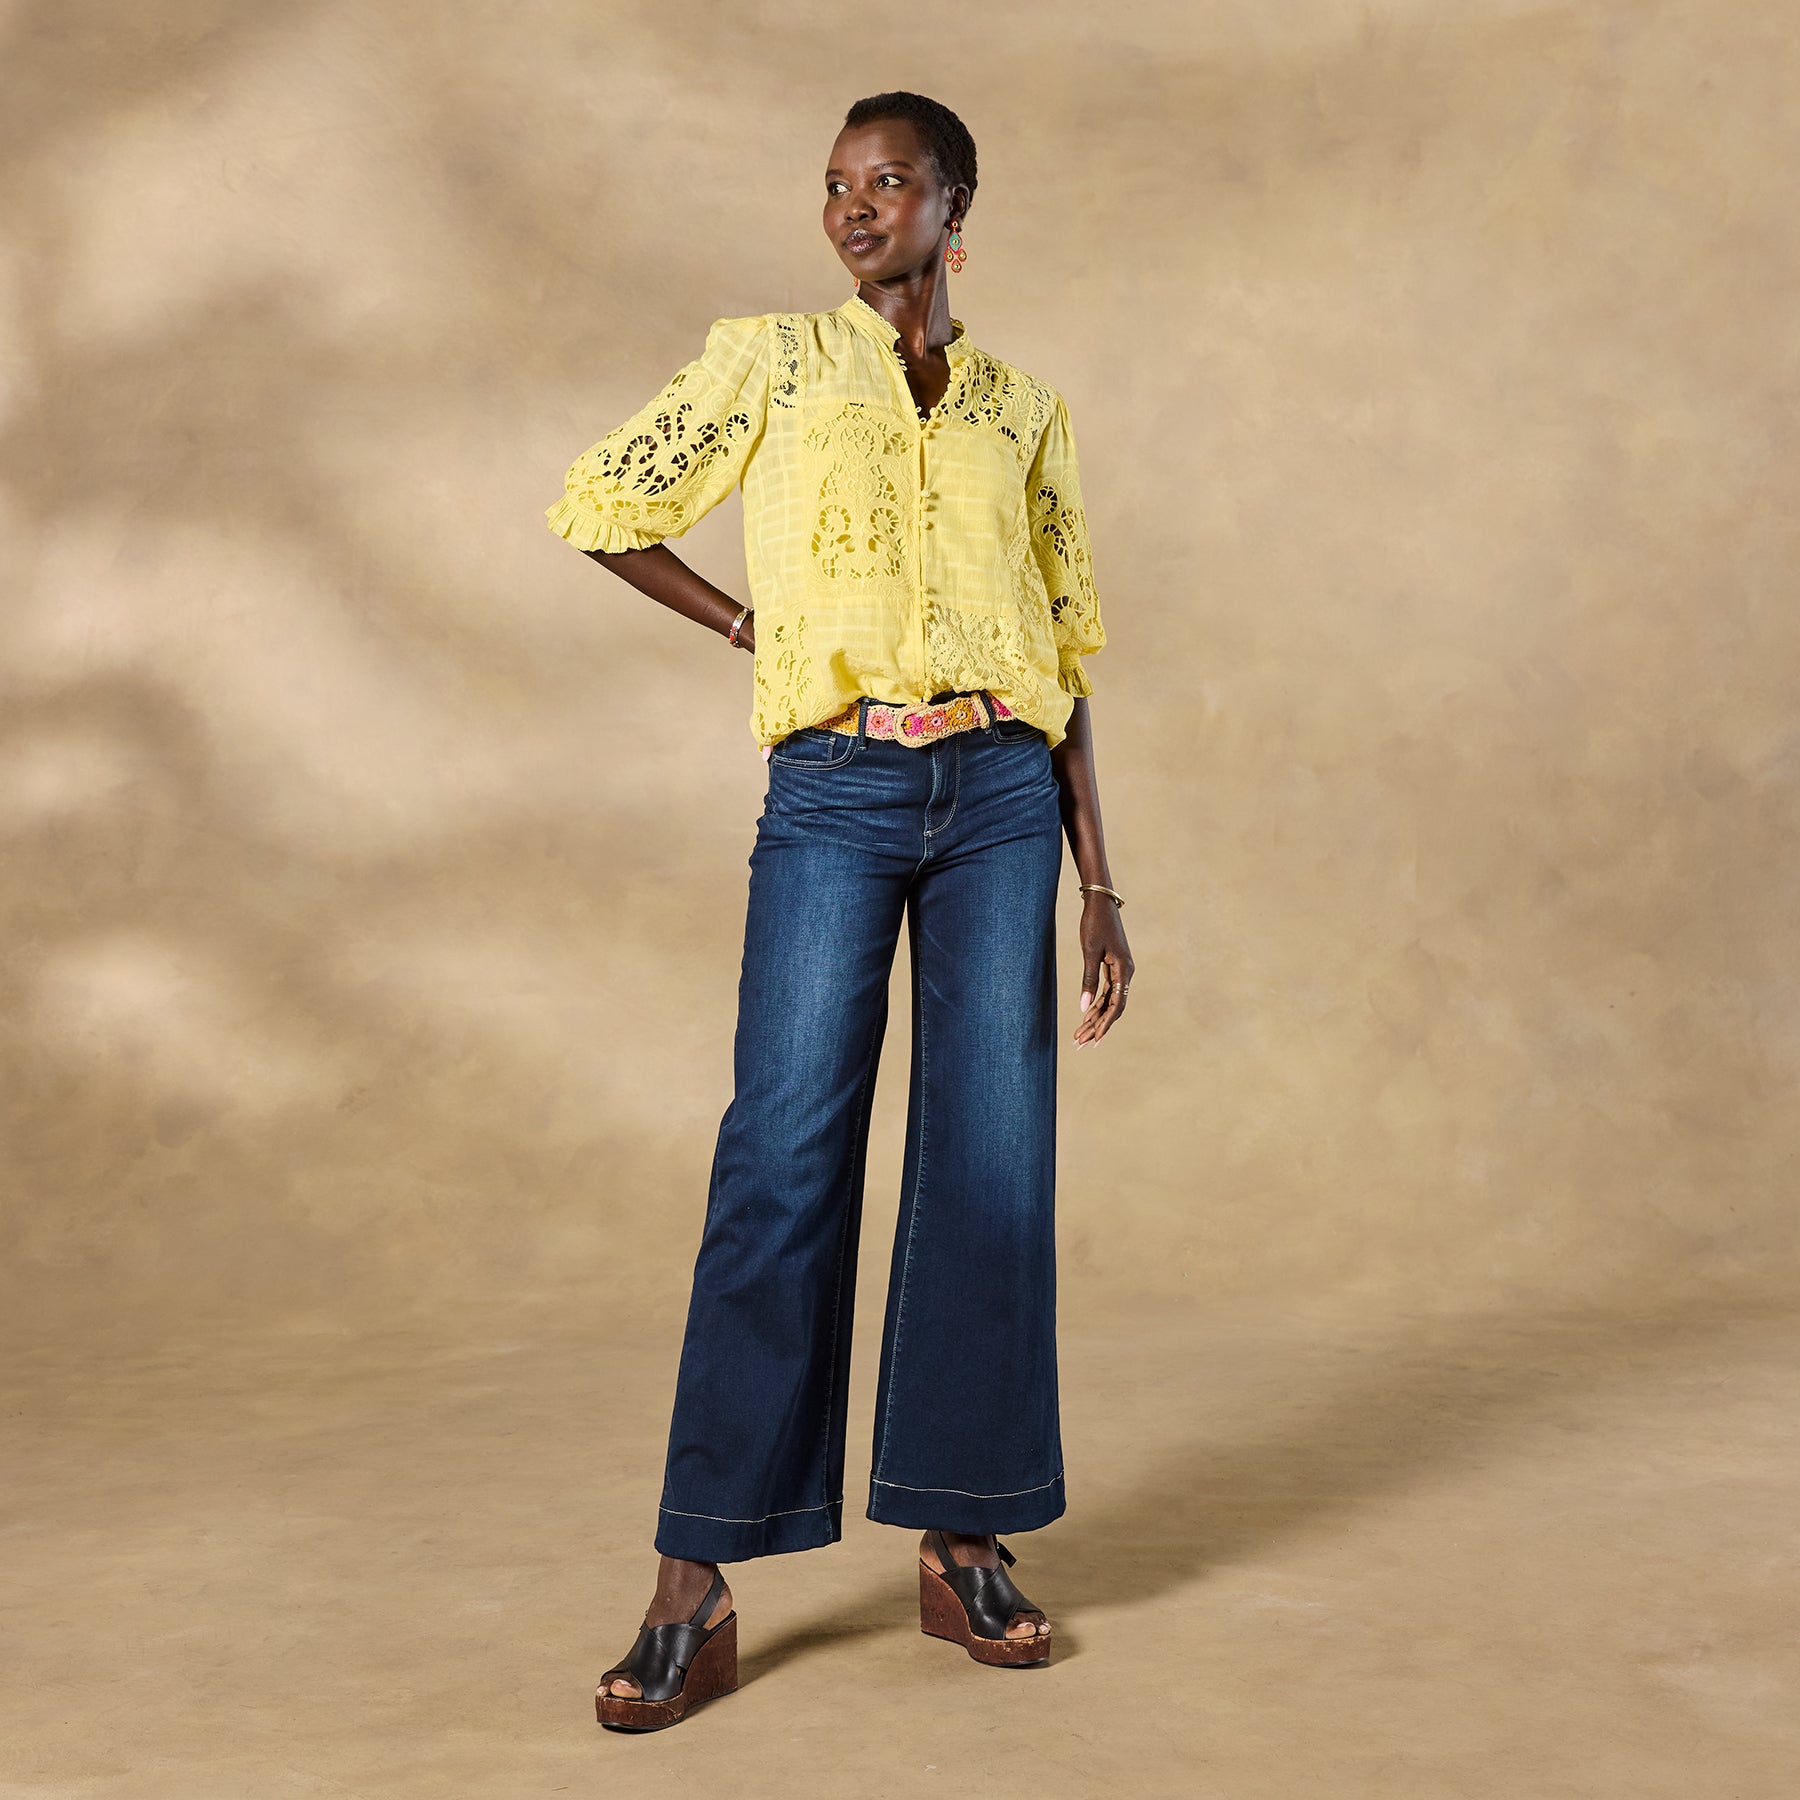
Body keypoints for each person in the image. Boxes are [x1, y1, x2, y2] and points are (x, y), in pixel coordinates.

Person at [545, 90, 1135, 1731]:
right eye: (835, 185)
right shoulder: (775, 364)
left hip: (1004, 798)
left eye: (889, 181)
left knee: (992, 1163)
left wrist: (1101, 879)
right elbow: (600, 506)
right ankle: (695, 1580)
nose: (856, 207)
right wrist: (758, 631)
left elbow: (1064, 655)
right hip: (836, 789)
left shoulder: (1025, 411)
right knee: (784, 1157)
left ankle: (965, 1535)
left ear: (956, 208)